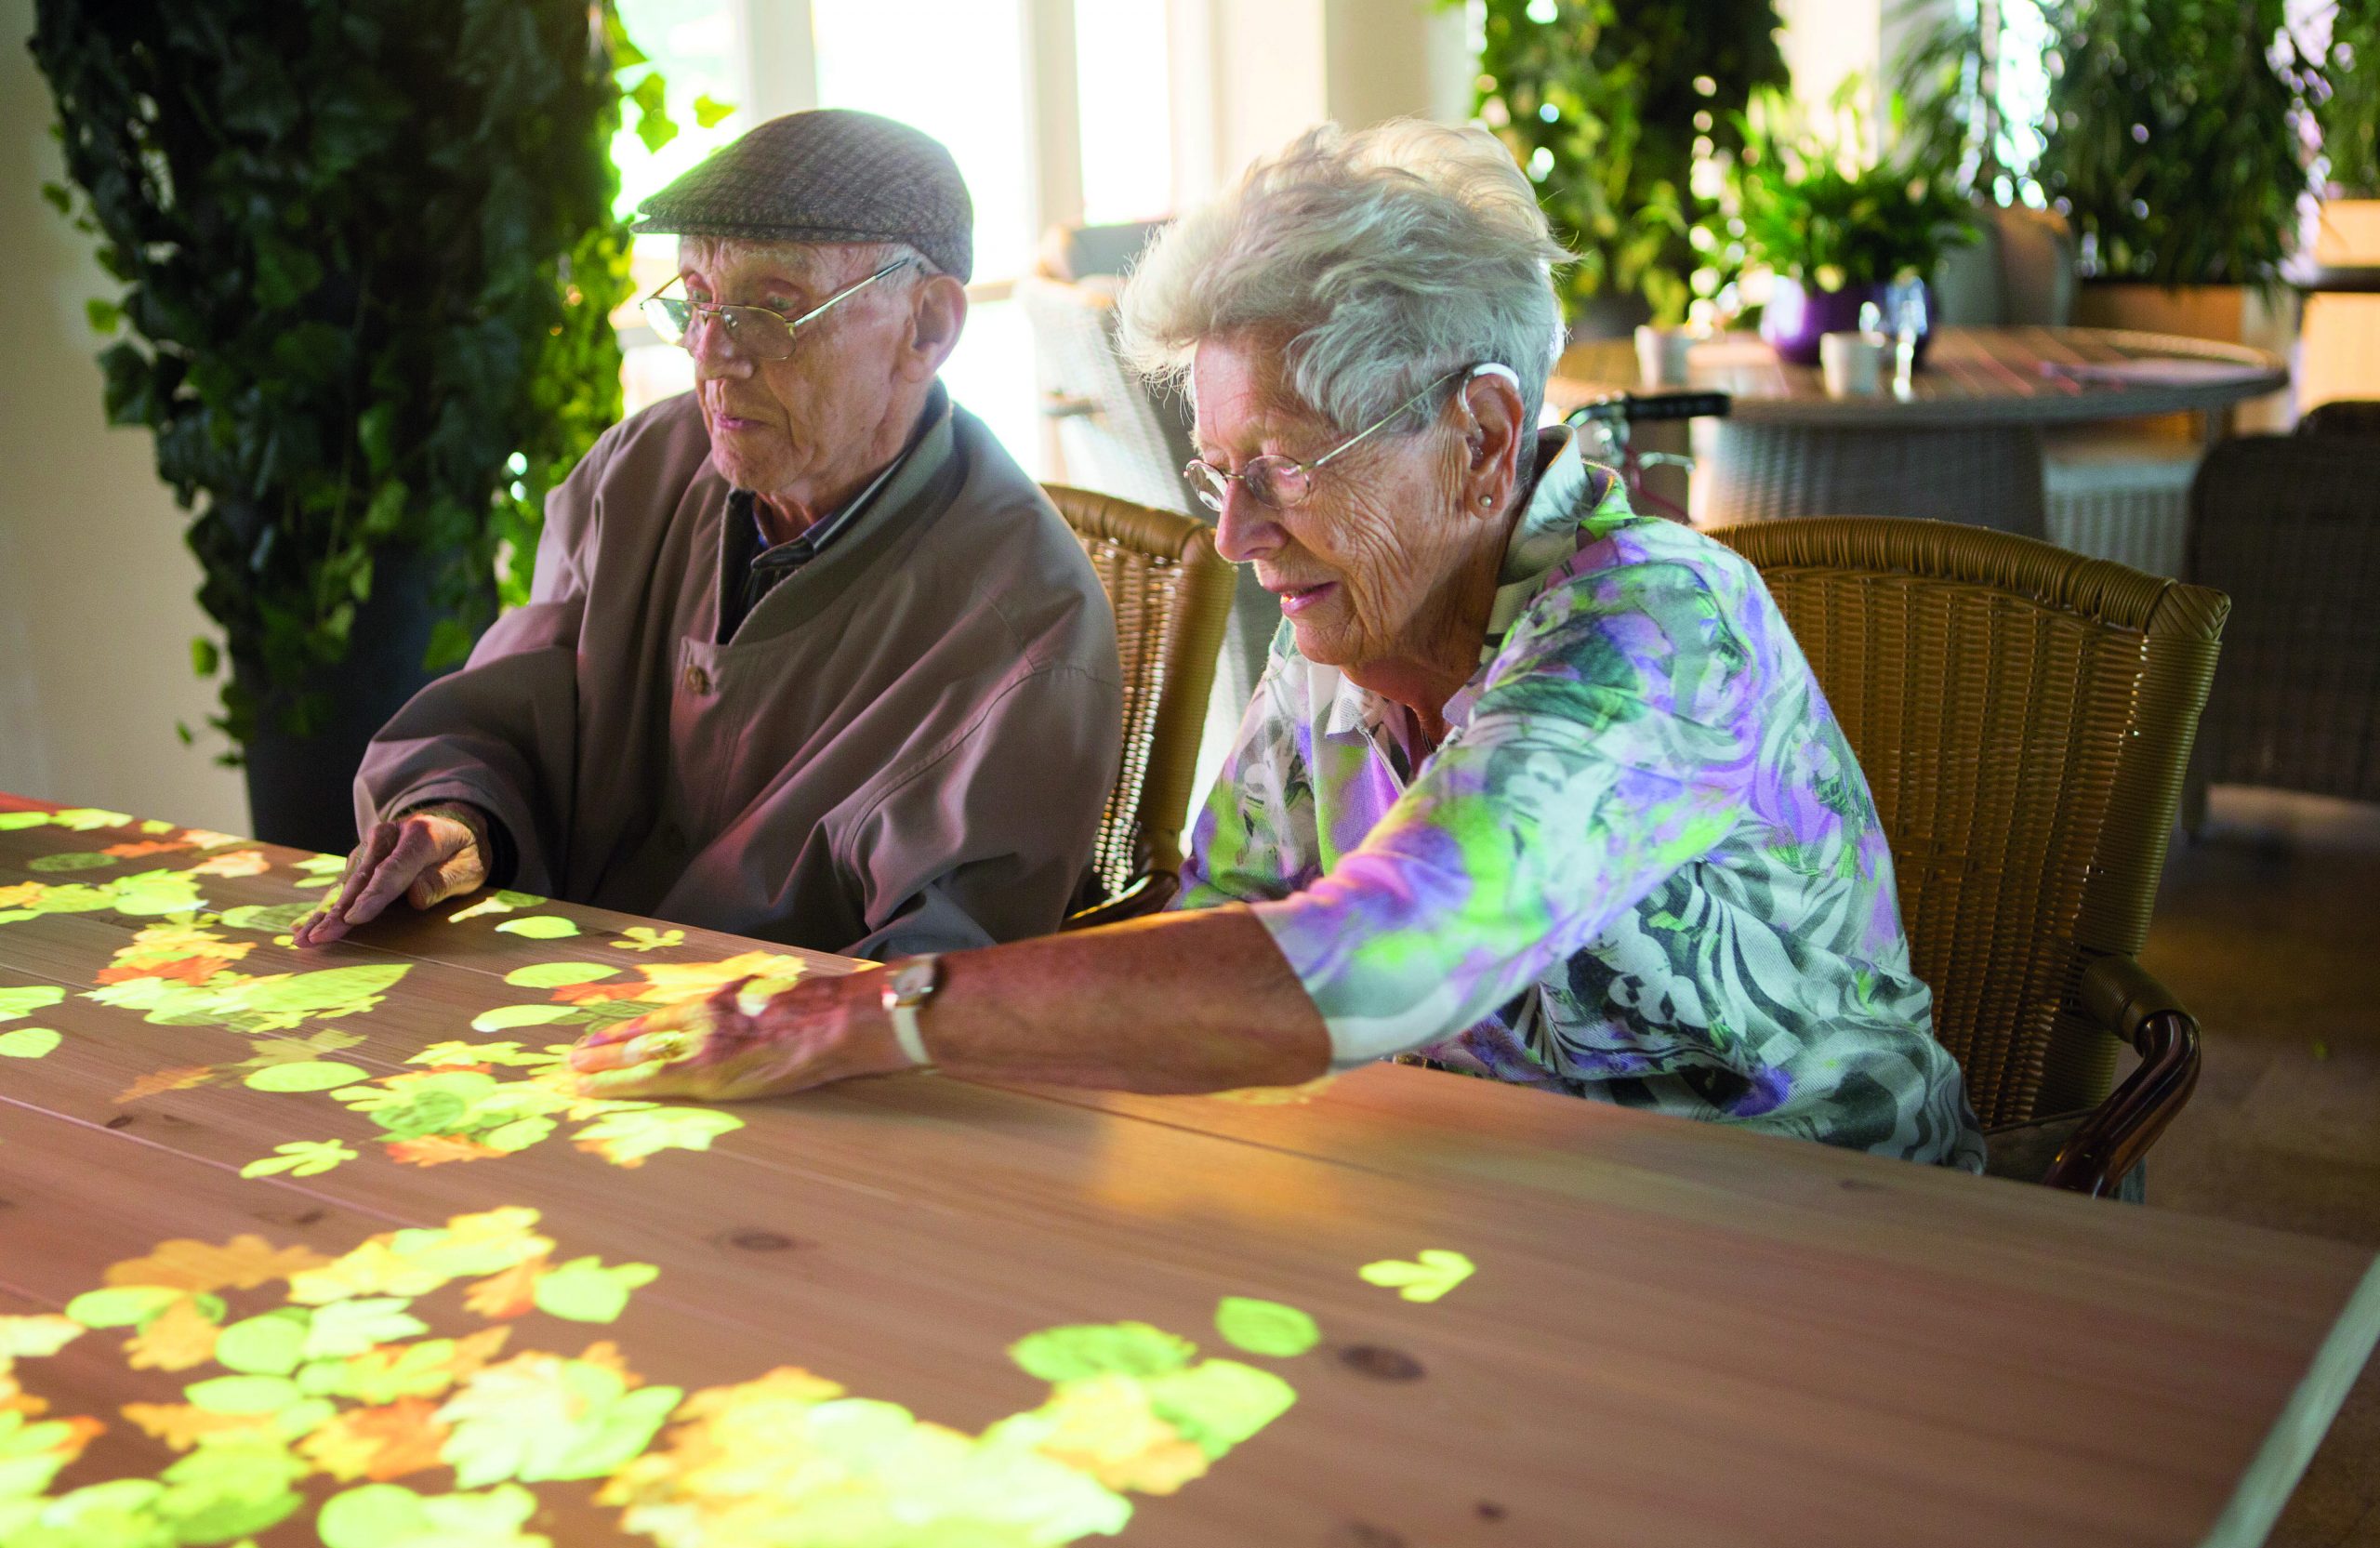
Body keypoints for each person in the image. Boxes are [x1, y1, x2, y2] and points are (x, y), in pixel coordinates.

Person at [567, 120, 1985, 1170]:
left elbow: (1374, 956)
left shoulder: (1658, 625)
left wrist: (881, 1008)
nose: (1237, 535)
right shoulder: (1345, 642)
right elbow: (1223, 925)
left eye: (1290, 465)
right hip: (1494, 1203)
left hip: (1824, 1244)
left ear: (1483, 439)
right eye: (1216, 470)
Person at [297, 111, 1121, 959]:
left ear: (927, 328)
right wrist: (454, 821)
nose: (712, 352)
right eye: (695, 300)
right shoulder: (638, 470)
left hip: (780, 1066)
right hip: (548, 1004)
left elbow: (935, 981)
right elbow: (513, 711)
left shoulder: (1030, 624)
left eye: (774, 305)